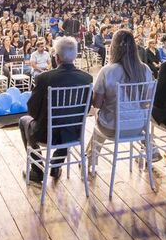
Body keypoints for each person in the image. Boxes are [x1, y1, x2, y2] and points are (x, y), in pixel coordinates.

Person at [19, 37, 92, 184]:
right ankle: (56, 165)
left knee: (24, 121)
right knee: (67, 123)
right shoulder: (87, 79)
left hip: (46, 134)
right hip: (73, 133)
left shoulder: (45, 78)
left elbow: (32, 110)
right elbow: (87, 109)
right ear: (75, 56)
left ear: (56, 57)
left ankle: (37, 170)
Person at [88, 30, 154, 169]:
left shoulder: (107, 71)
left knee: (99, 118)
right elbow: (146, 102)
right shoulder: (145, 70)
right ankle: (151, 149)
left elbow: (97, 104)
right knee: (110, 117)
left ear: (114, 47)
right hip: (138, 126)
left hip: (112, 128)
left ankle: (90, 159)